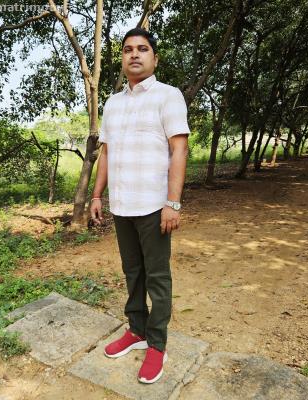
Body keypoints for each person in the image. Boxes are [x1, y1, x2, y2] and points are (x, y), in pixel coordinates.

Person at [90, 27, 190, 384]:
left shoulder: (168, 96)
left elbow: (179, 149)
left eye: (142, 49)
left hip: (153, 206)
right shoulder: (112, 103)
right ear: (122, 57)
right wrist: (97, 195)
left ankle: (157, 344)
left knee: (157, 277)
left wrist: (172, 203)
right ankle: (136, 329)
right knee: (132, 272)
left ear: (154, 58)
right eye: (128, 49)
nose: (134, 54)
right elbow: (106, 152)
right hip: (122, 205)